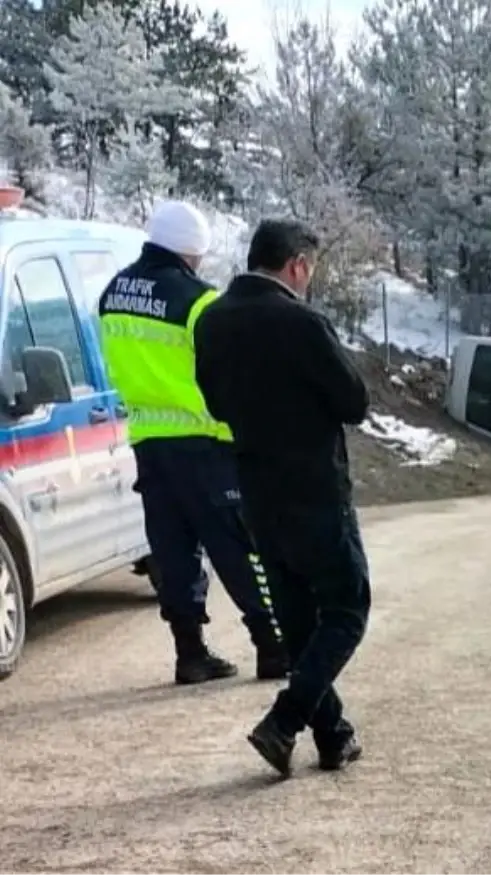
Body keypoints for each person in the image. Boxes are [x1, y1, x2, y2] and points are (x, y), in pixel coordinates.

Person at [193, 219, 371, 776]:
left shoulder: (213, 321)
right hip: (315, 489)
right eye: (310, 271)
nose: (309, 280)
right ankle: (285, 720)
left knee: (298, 621)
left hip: (257, 491)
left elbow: (217, 406)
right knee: (346, 608)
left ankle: (333, 736)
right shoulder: (302, 321)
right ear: (296, 265)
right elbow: (354, 401)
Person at [97, 200, 287, 685]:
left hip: (147, 441)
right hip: (204, 442)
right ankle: (273, 646)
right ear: (192, 251)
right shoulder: (199, 301)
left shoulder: (112, 293)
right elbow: (226, 372)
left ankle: (190, 654)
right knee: (238, 548)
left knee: (173, 549)